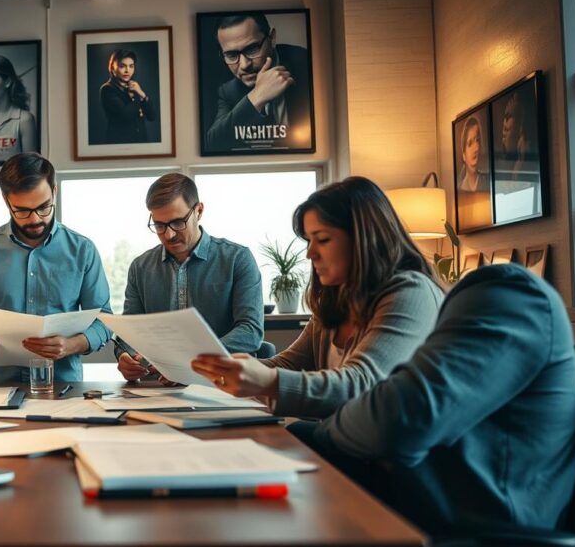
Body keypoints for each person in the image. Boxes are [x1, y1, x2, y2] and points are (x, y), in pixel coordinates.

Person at [289, 264, 575, 535]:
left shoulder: (508, 295)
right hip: (433, 488)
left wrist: (323, 433)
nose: (311, 254)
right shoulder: (471, 305)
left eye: (323, 238)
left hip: (481, 521)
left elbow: (397, 418)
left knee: (300, 453)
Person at [191, 176, 445, 418]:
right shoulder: (335, 300)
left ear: (363, 239)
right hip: (341, 439)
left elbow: (362, 383)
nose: (310, 254)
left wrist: (265, 380)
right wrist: (224, 371)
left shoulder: (411, 294)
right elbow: (290, 364)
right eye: (308, 241)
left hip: (389, 457)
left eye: (322, 239)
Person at [0, 153, 112, 382]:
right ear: (6, 201)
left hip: (62, 386)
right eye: (23, 211)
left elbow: (104, 320)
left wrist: (71, 345)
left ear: (54, 192)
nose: (35, 219)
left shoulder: (82, 250)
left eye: (44, 207)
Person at [116, 173, 264, 381]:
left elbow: (250, 331)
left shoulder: (237, 259)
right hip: (157, 390)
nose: (168, 235)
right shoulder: (140, 268)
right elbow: (129, 333)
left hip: (224, 384)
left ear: (199, 211)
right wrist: (125, 356)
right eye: (159, 225)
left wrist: (189, 362)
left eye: (177, 222)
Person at [204, 13, 311, 152]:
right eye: (231, 55)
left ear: (272, 38)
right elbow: (213, 144)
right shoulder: (228, 91)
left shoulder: (307, 63)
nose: (244, 65)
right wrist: (257, 96)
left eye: (252, 49)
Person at [98, 49, 157, 144]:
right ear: (113, 68)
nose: (127, 70)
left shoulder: (133, 87)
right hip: (120, 145)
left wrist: (142, 94)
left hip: (141, 143)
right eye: (122, 66)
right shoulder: (108, 89)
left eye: (131, 66)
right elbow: (126, 115)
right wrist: (138, 96)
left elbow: (152, 116)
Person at [458, 116, 490, 193]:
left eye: (477, 140)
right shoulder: (460, 188)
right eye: (470, 143)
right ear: (464, 155)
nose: (476, 148)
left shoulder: (488, 182)